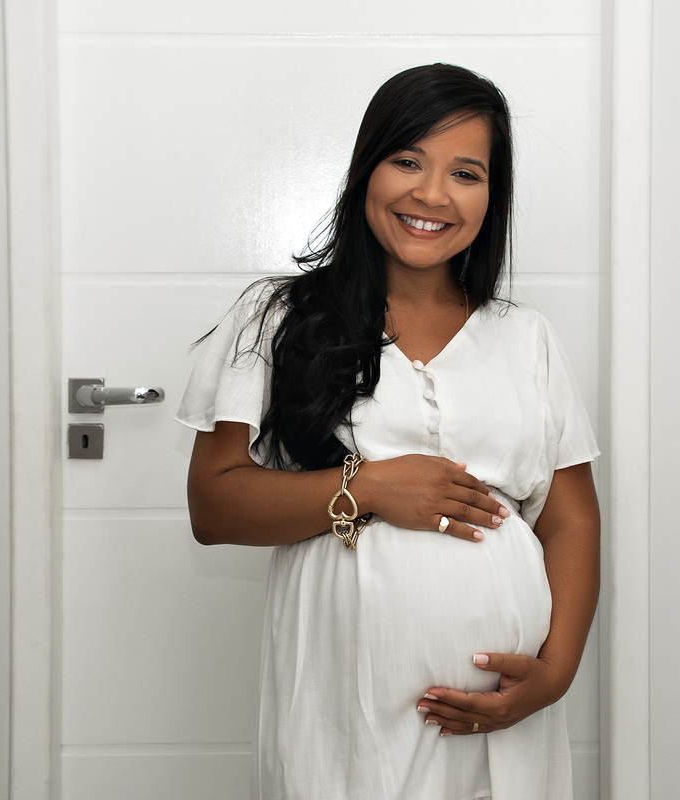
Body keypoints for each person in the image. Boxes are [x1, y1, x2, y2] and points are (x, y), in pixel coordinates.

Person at [176, 63, 600, 800]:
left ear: (492, 195)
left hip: (501, 718)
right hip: (342, 709)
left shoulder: (527, 337)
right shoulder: (277, 318)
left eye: (465, 173)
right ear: (365, 169)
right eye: (407, 161)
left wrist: (554, 673)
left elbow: (570, 519)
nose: (432, 194)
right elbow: (214, 506)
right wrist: (366, 486)